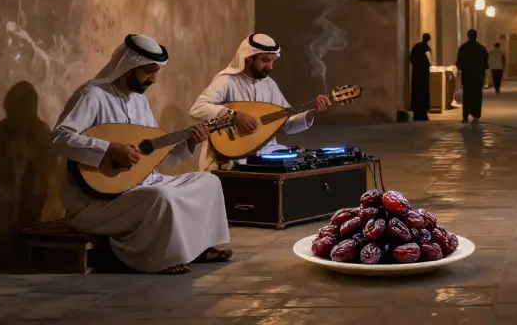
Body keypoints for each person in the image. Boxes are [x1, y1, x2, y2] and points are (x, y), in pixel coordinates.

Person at [52, 34, 232, 275]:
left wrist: (188, 142)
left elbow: (152, 149)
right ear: (129, 65)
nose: (154, 79)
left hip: (141, 184)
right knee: (161, 196)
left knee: (209, 182)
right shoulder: (93, 95)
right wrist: (109, 149)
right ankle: (157, 259)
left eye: (156, 72)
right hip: (98, 201)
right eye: (148, 71)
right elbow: (61, 138)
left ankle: (199, 248)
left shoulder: (139, 101)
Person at [190, 33, 332, 166]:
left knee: (305, 162)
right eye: (265, 60)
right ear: (248, 59)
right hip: (235, 156)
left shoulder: (269, 84)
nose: (270, 66)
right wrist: (234, 115)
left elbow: (286, 122)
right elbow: (198, 108)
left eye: (272, 61)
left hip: (267, 152)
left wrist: (312, 111)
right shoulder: (227, 81)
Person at [456, 29, 489, 122]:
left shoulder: (463, 48)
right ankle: (476, 113)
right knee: (477, 94)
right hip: (478, 75)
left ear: (468, 36)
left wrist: (462, 68)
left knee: (467, 94)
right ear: (476, 36)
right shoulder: (481, 48)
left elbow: (459, 61)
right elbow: (485, 62)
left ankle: (465, 114)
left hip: (467, 75)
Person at [407, 34, 433, 120]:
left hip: (416, 73)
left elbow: (411, 58)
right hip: (424, 74)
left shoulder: (416, 46)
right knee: (423, 93)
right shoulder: (427, 49)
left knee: (416, 93)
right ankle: (423, 114)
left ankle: (416, 114)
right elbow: (430, 62)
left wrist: (416, 65)